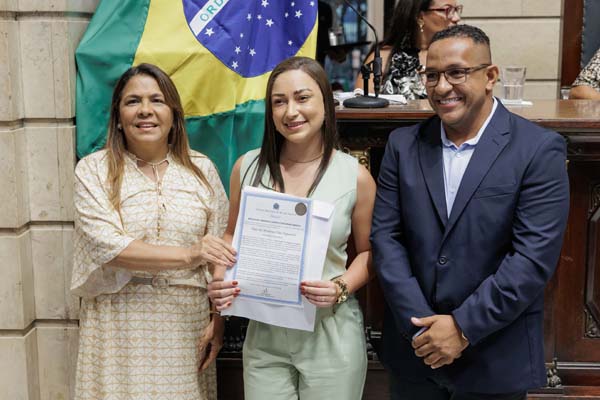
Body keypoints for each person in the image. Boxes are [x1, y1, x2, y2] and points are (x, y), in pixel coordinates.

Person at [371, 24, 569, 399]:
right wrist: (423, 330)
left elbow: (531, 259)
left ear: (490, 76)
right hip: (415, 354)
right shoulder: (403, 146)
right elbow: (386, 238)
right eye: (432, 75)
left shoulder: (538, 150)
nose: (442, 87)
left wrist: (461, 327)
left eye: (456, 73)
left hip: (494, 354)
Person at [208, 56, 376, 399]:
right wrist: (220, 280)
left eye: (302, 98)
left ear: (326, 102)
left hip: (330, 330)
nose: (291, 112)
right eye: (279, 102)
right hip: (264, 330)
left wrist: (340, 287)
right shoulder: (247, 167)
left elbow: (370, 253)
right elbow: (231, 237)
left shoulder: (355, 175)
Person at [71, 63, 236, 400]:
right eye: (133, 101)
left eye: (157, 100)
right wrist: (189, 254)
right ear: (118, 116)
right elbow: (108, 247)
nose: (145, 110)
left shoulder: (201, 169)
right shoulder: (93, 171)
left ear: (174, 114)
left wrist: (218, 320)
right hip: (117, 323)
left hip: (185, 323)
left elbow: (220, 252)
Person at [354, 0, 461, 98]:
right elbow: (361, 106)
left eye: (456, 9)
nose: (456, 18)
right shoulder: (384, 58)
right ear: (420, 17)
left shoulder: (459, 55)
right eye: (448, 10)